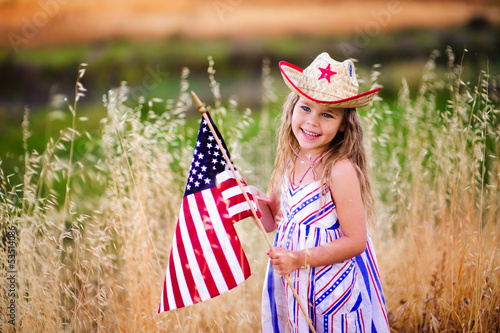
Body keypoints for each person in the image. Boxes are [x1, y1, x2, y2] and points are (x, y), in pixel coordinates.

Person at [250, 52, 390, 332]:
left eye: (327, 114)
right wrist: (254, 202)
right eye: (305, 108)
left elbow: (356, 241)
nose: (312, 121)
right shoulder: (289, 160)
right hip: (294, 285)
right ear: (292, 109)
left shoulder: (339, 170)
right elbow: (275, 222)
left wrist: (299, 259)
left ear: (343, 126)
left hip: (331, 287)